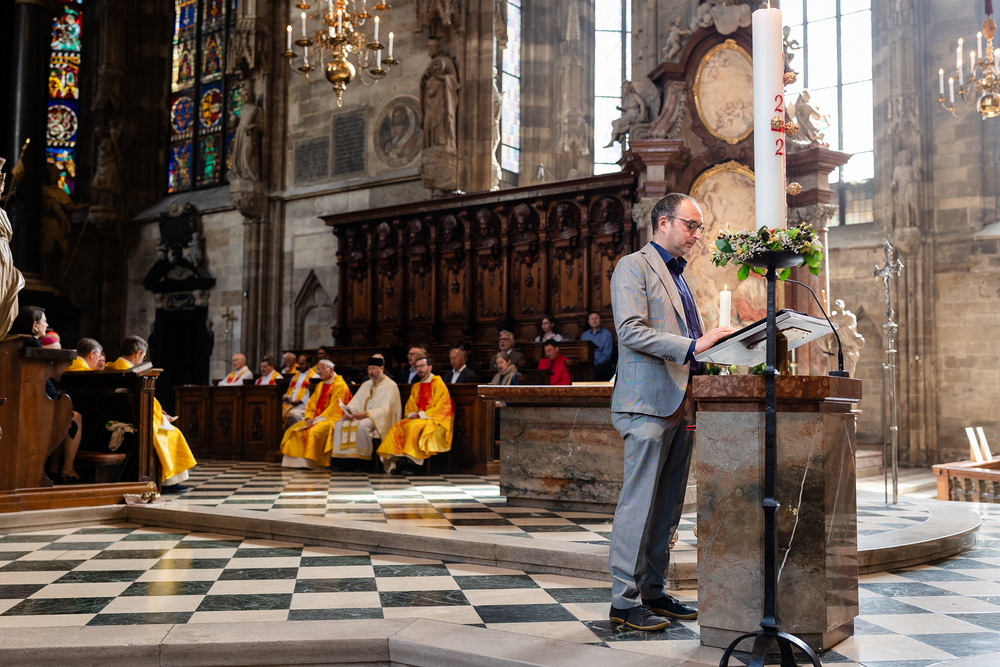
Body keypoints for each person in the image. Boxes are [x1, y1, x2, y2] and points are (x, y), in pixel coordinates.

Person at [607, 193, 736, 631]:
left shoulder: (680, 276)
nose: (697, 234)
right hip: (646, 403)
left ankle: (653, 590)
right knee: (639, 503)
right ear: (663, 222)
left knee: (667, 506)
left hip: (682, 403)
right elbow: (630, 330)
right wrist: (694, 345)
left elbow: (689, 343)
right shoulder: (633, 266)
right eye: (691, 225)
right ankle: (623, 601)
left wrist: (718, 350)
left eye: (699, 227)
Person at [107, 336, 197, 491]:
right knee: (173, 433)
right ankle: (167, 481)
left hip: (122, 414)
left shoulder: (111, 367)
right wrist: (162, 417)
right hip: (138, 418)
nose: (142, 360)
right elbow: (142, 398)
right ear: (137, 353)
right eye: (143, 356)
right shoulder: (132, 372)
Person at [10, 306, 83, 483]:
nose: (47, 324)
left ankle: (53, 469)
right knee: (75, 416)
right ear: (35, 326)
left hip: (24, 398)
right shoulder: (32, 344)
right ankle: (67, 469)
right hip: (36, 400)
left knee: (62, 416)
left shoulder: (14, 342)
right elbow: (43, 380)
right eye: (44, 321)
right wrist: (57, 398)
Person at [377, 357, 454, 475]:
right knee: (398, 426)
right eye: (417, 367)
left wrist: (422, 415)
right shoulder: (416, 386)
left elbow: (442, 406)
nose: (419, 369)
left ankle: (413, 464)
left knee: (413, 427)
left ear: (430, 367)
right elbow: (411, 405)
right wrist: (412, 414)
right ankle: (400, 461)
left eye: (422, 366)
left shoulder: (438, 383)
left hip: (433, 419)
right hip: (418, 418)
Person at [280, 359, 352, 469]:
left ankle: (311, 462)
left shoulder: (340, 385)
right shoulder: (320, 385)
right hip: (316, 419)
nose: (319, 371)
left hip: (330, 420)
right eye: (318, 369)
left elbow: (336, 408)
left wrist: (316, 420)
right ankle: (294, 463)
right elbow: (311, 405)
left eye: (323, 368)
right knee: (293, 431)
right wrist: (309, 418)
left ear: (331, 369)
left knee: (312, 432)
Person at [331, 355, 402, 466]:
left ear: (382, 368)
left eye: (374, 368)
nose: (371, 372)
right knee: (339, 424)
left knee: (361, 426)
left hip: (378, 419)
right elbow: (354, 403)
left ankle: (362, 462)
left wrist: (366, 414)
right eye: (369, 369)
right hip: (360, 416)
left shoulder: (390, 385)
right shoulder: (366, 384)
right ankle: (342, 461)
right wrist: (349, 412)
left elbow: (386, 410)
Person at [282, 354, 316, 428]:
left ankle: (295, 433)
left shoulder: (314, 377)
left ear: (308, 364)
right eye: (299, 363)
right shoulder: (295, 376)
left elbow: (313, 395)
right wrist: (286, 398)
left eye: (302, 364)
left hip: (303, 406)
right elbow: (290, 391)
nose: (299, 366)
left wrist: (300, 401)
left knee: (294, 415)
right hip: (290, 404)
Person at [581, 311, 615, 381]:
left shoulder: (607, 334)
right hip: (586, 366)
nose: (594, 320)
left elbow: (607, 355)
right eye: (592, 319)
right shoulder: (584, 335)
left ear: (601, 320)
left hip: (602, 366)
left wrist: (594, 365)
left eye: (596, 318)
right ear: (588, 321)